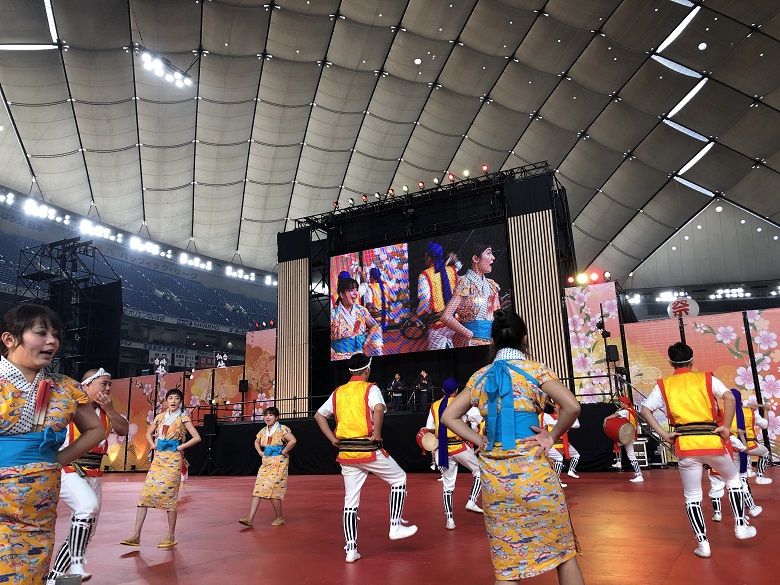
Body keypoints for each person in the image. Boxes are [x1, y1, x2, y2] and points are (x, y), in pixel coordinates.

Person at [442, 309, 584, 585]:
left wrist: (479, 440)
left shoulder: (479, 377)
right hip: (534, 475)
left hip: (496, 482)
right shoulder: (536, 370)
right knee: (564, 554)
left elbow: (449, 416)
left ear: (492, 342)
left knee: (507, 567)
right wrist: (550, 435)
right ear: (525, 339)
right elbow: (572, 407)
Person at [1, 303, 105, 585]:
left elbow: (95, 429)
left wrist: (56, 460)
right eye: (41, 333)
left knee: (31, 572)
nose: (52, 341)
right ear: (9, 339)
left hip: (40, 510)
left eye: (55, 335)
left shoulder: (64, 387)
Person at [640, 342, 756, 558]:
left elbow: (645, 410)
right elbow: (729, 397)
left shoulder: (664, 385)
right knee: (733, 481)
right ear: (692, 361)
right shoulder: (706, 378)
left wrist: (664, 434)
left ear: (670, 362)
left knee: (692, 496)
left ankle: (703, 544)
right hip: (712, 441)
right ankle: (740, 526)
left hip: (685, 445)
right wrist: (725, 427)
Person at [314, 353, 417, 563]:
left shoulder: (338, 392)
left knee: (350, 502)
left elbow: (318, 415)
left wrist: (333, 438)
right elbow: (378, 408)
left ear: (351, 371)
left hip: (346, 452)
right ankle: (395, 525)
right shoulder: (371, 388)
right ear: (367, 370)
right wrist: (377, 433)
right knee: (399, 479)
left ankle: (350, 550)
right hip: (366, 449)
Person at [47, 367, 130, 584]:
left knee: (86, 533)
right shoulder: (72, 407)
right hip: (69, 469)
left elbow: (124, 430)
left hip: (94, 473)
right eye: (104, 383)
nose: (108, 388)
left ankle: (53, 578)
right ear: (87, 386)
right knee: (87, 507)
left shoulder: (107, 411)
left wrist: (110, 410)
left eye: (109, 384)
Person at [120, 388, 201, 549]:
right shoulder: (160, 417)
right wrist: (153, 445)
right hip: (158, 460)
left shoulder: (183, 417)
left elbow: (197, 437)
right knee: (144, 496)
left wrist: (181, 447)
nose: (173, 401)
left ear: (180, 402)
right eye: (170, 398)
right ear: (165, 401)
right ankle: (136, 535)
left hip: (172, 460)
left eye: (176, 398)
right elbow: (149, 433)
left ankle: (170, 535)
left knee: (170, 498)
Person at [426, 377, 483, 530]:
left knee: (448, 486)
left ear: (443, 390)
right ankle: (472, 500)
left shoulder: (435, 406)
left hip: (443, 450)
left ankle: (449, 520)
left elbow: (429, 428)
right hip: (459, 446)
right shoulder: (462, 404)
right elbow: (478, 418)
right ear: (457, 390)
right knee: (479, 471)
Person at [239, 406, 297, 527]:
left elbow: (293, 440)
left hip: (278, 463)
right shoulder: (263, 431)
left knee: (272, 489)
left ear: (277, 417)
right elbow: (256, 441)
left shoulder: (282, 429)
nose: (267, 417)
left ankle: (279, 517)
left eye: (271, 415)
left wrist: (283, 451)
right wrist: (260, 452)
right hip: (266, 461)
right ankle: (250, 518)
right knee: (258, 488)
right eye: (266, 415)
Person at [441, 241, 501, 347]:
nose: (493, 258)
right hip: (471, 344)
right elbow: (446, 316)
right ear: (475, 259)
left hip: (491, 343)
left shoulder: (491, 285)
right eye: (488, 253)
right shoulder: (465, 283)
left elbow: (498, 317)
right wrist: (469, 333)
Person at [415, 242, 458, 350]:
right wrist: (455, 259)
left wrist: (418, 314)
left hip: (438, 324)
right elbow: (458, 265)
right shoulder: (451, 270)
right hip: (454, 321)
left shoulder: (425, 275)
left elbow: (425, 298)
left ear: (428, 257)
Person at [331, 277, 382, 360]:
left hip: (360, 357)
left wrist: (367, 340)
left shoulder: (361, 310)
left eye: (356, 289)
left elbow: (374, 325)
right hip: (340, 359)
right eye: (351, 290)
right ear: (342, 295)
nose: (355, 293)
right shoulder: (333, 315)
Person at [603, 396, 644, 483]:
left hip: (627, 436)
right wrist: (618, 410)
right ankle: (619, 462)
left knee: (630, 454)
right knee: (617, 444)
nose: (620, 404)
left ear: (625, 403)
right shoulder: (630, 410)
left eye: (621, 403)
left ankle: (639, 474)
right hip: (629, 435)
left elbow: (615, 416)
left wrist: (606, 418)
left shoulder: (626, 411)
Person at [542, 402, 581, 488]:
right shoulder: (548, 416)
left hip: (560, 443)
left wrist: (572, 416)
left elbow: (576, 425)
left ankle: (561, 476)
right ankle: (556, 480)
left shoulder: (547, 416)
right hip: (551, 443)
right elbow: (557, 423)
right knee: (555, 460)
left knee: (557, 460)